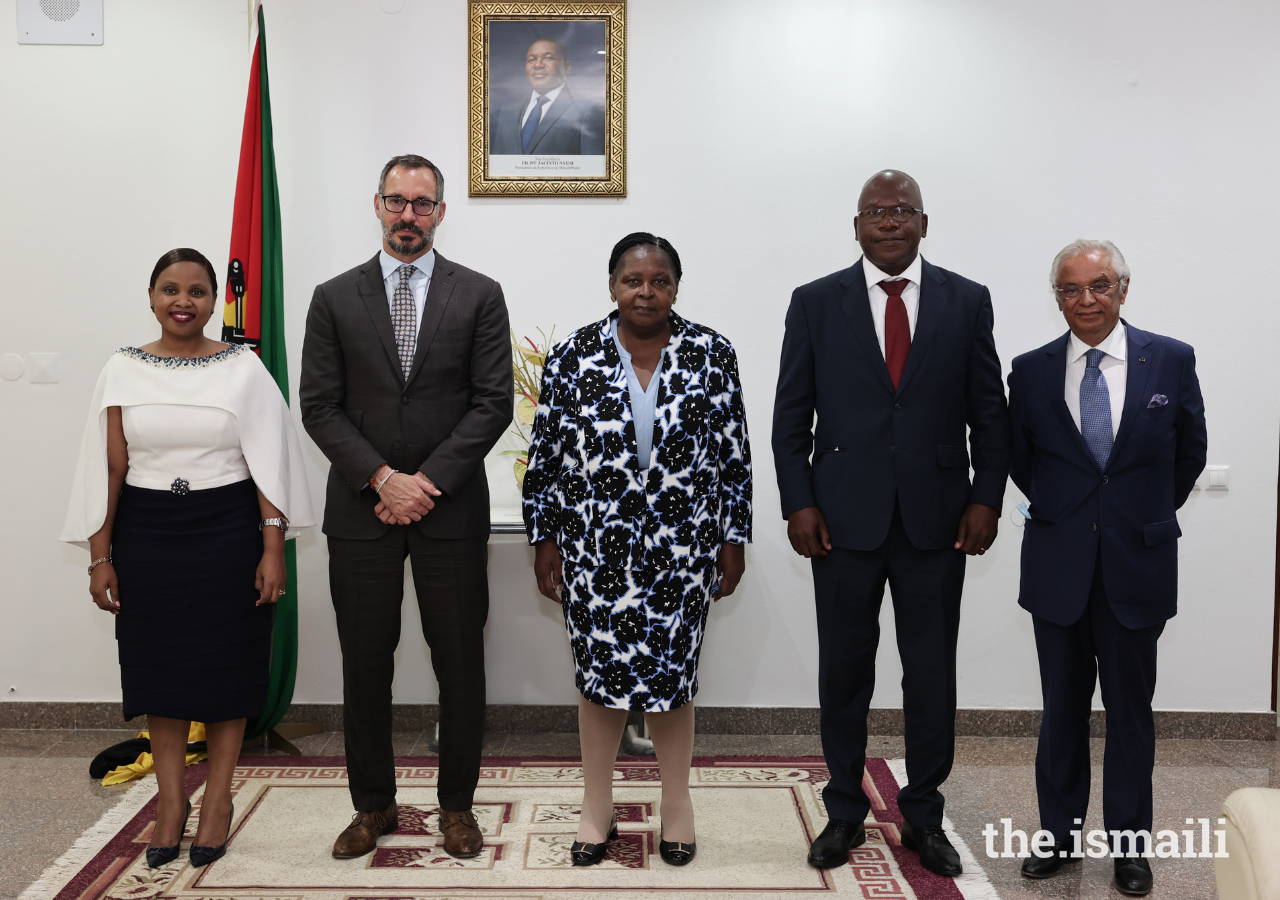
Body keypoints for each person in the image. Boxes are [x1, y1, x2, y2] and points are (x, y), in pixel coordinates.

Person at [773, 170, 1011, 876]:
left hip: (939, 522)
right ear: (856, 225)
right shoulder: (816, 303)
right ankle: (844, 808)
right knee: (844, 671)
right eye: (876, 211)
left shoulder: (968, 301)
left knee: (931, 672)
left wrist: (986, 498)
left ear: (924, 223)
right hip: (840, 522)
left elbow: (989, 415)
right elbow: (791, 420)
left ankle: (923, 814)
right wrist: (799, 503)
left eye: (902, 210)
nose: (889, 222)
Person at [61, 248, 314, 869]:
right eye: (170, 289)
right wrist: (101, 557)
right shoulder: (121, 369)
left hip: (230, 532)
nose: (183, 300)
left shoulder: (243, 368)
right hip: (148, 535)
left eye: (197, 290)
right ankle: (170, 807)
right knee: (162, 677)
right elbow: (109, 466)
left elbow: (269, 464)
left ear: (212, 301)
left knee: (227, 676)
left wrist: (272, 549)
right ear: (151, 298)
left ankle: (219, 802)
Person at [299, 154, 513, 860]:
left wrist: (423, 484)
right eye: (397, 201)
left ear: (442, 213)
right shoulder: (333, 297)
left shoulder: (479, 294)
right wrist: (382, 479)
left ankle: (458, 807)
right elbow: (320, 407)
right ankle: (372, 805)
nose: (408, 215)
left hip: (448, 512)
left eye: (423, 204)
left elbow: (492, 405)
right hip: (361, 514)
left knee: (459, 664)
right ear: (377, 204)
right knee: (365, 664)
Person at [522, 232, 751, 867]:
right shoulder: (574, 355)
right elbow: (546, 459)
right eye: (632, 280)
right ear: (612, 286)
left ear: (676, 287)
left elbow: (734, 457)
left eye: (659, 281)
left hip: (684, 550)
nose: (645, 292)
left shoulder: (711, 353)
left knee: (674, 683)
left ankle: (677, 806)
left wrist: (734, 539)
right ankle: (597, 809)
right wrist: (544, 542)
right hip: (596, 548)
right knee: (599, 682)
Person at [1009, 240, 1206, 896]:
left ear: (1123, 289)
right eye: (1070, 289)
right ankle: (1058, 837)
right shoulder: (1031, 370)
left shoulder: (1169, 360)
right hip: (1057, 568)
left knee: (1130, 713)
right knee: (1060, 711)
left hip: (1136, 566)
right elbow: (1021, 460)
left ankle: (1130, 846)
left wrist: (1134, 515)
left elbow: (1189, 454)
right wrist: (1071, 512)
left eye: (1098, 285)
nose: (1085, 300)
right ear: (1057, 296)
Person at [491, 38, 605, 155]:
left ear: (567, 67)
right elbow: (498, 161)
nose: (538, 65)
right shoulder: (508, 112)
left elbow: (591, 165)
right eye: (531, 59)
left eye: (548, 58)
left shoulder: (587, 111)